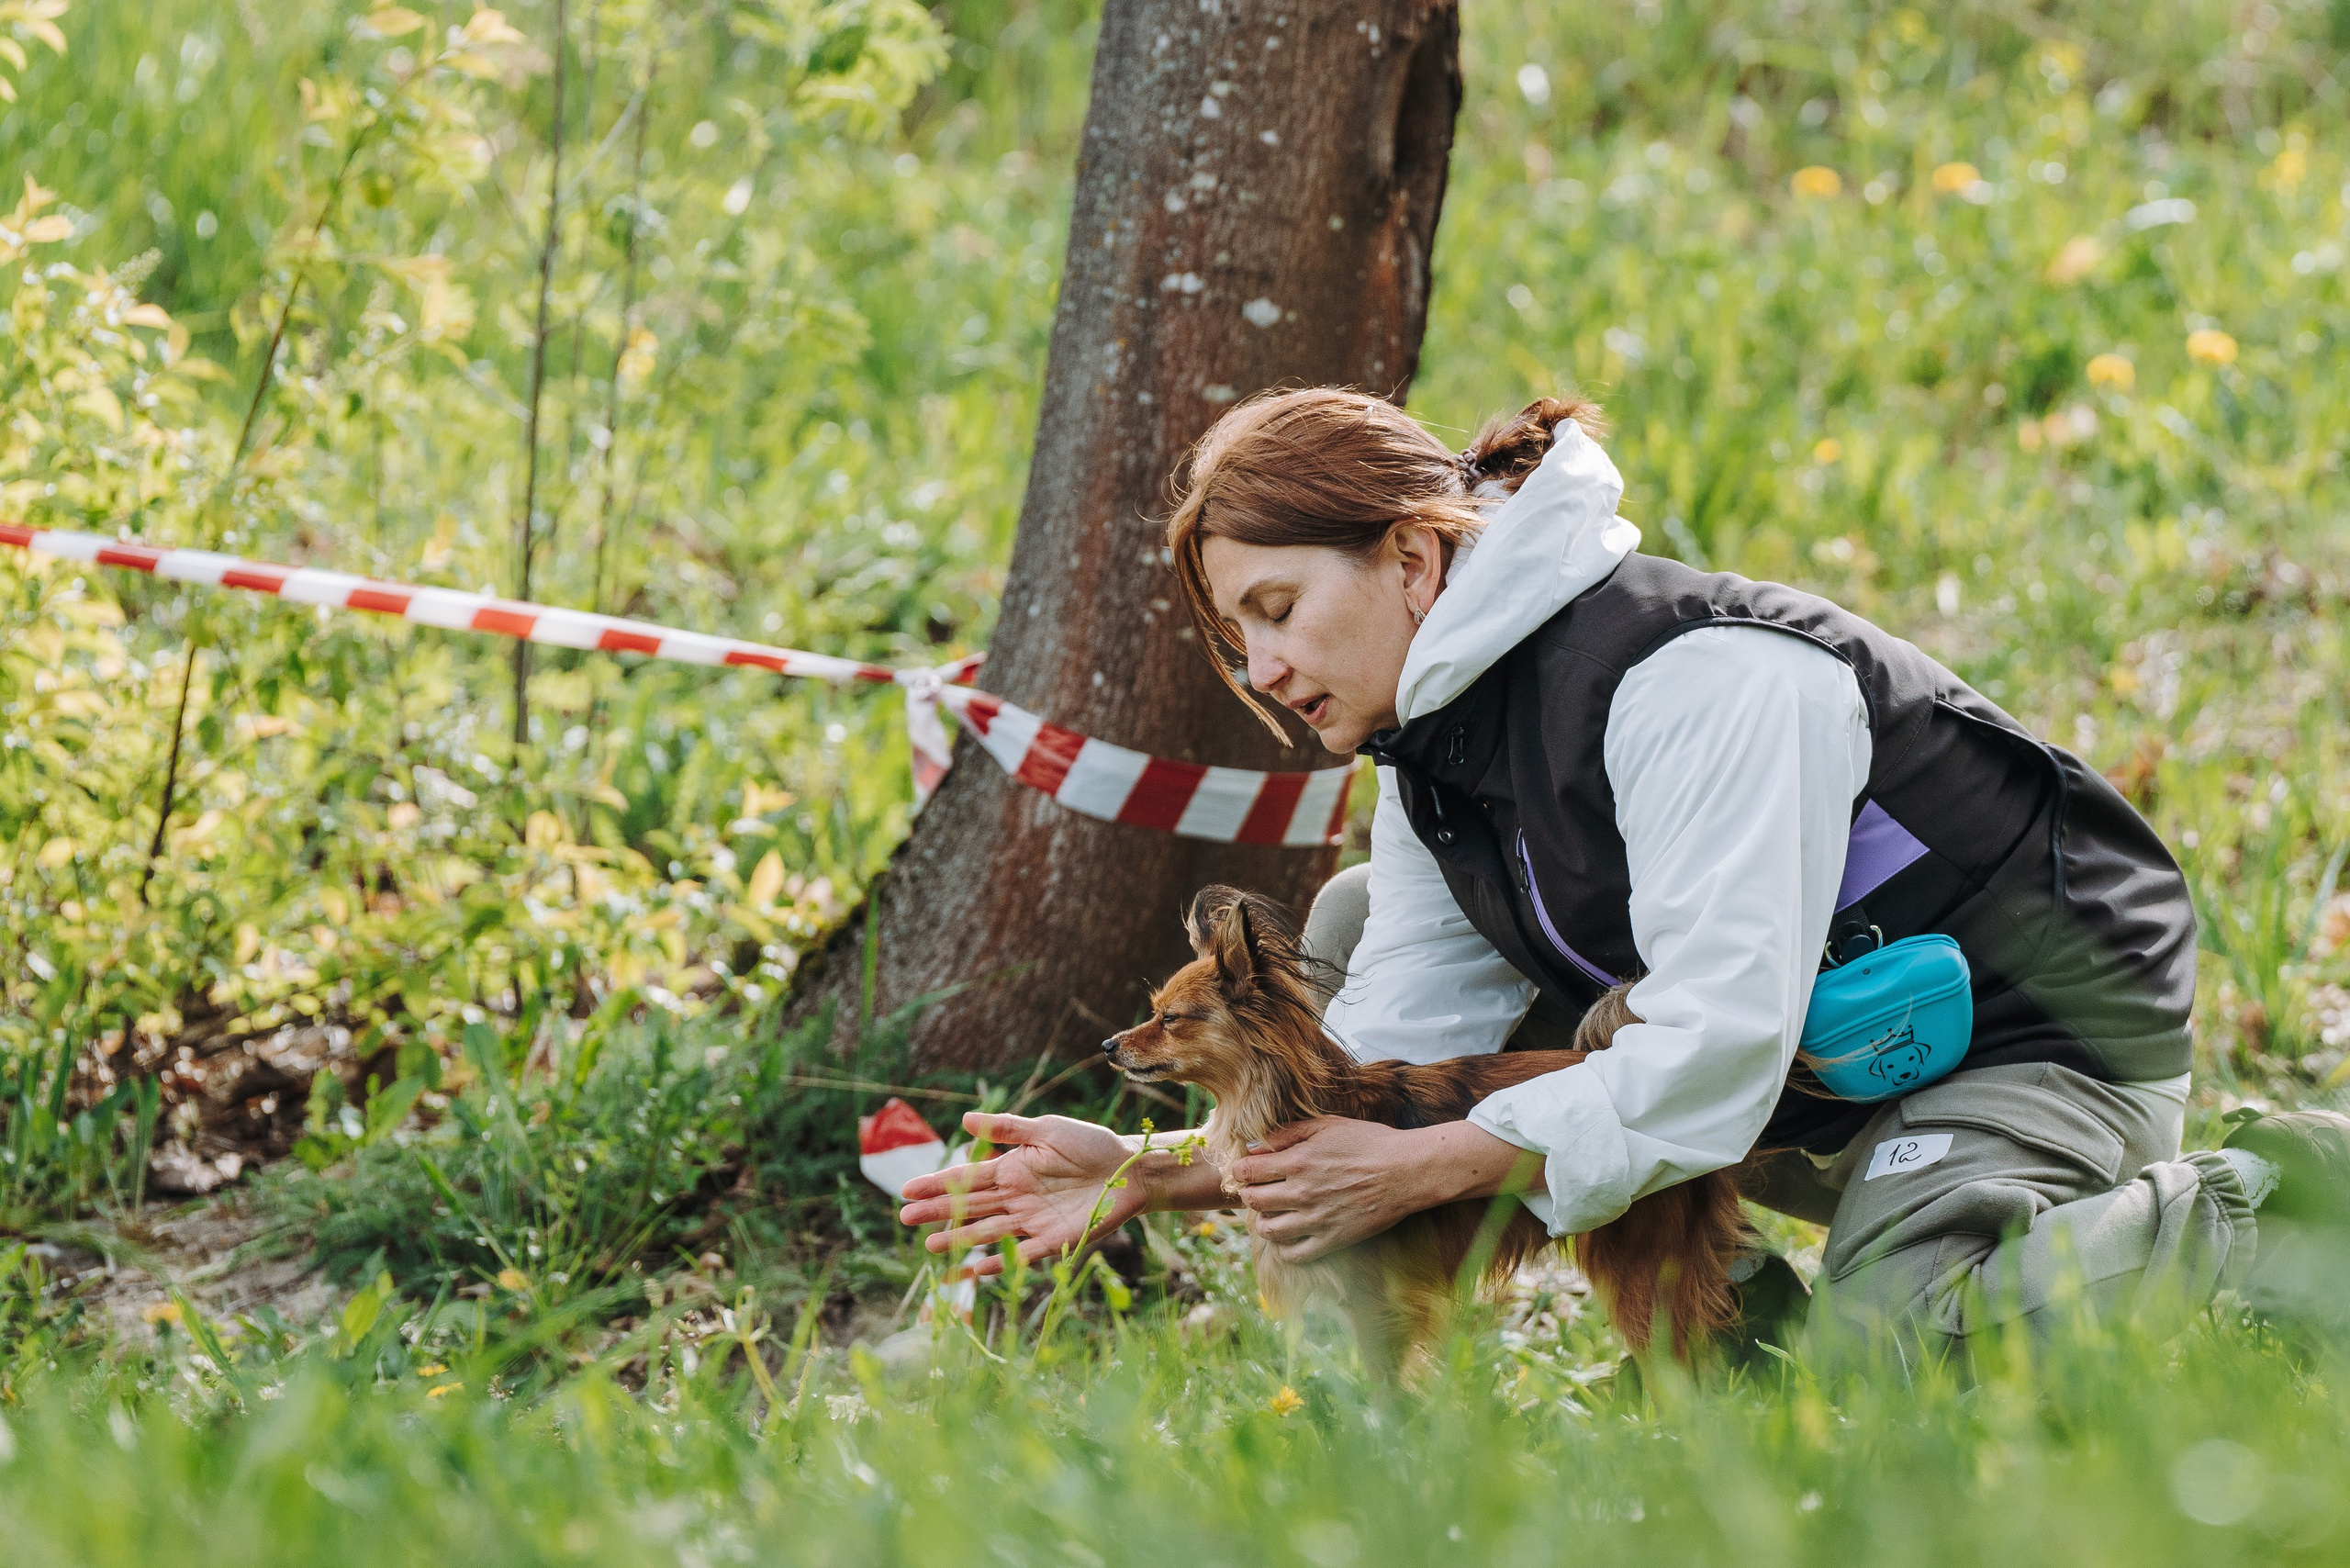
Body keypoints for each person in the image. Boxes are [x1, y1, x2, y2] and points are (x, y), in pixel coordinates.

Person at [898, 388, 2350, 1358]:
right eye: (1238, 641)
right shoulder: (1438, 746)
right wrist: (1157, 1174)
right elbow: (1391, 1074)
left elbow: (1709, 1053)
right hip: (1824, 1056)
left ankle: (2284, 1196)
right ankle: (1744, 1364)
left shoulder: (1696, 681)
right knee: (1348, 938)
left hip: (2024, 1034)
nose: (1264, 670)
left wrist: (1433, 1162)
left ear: (1412, 555)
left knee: (1913, 1340)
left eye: (1277, 611)